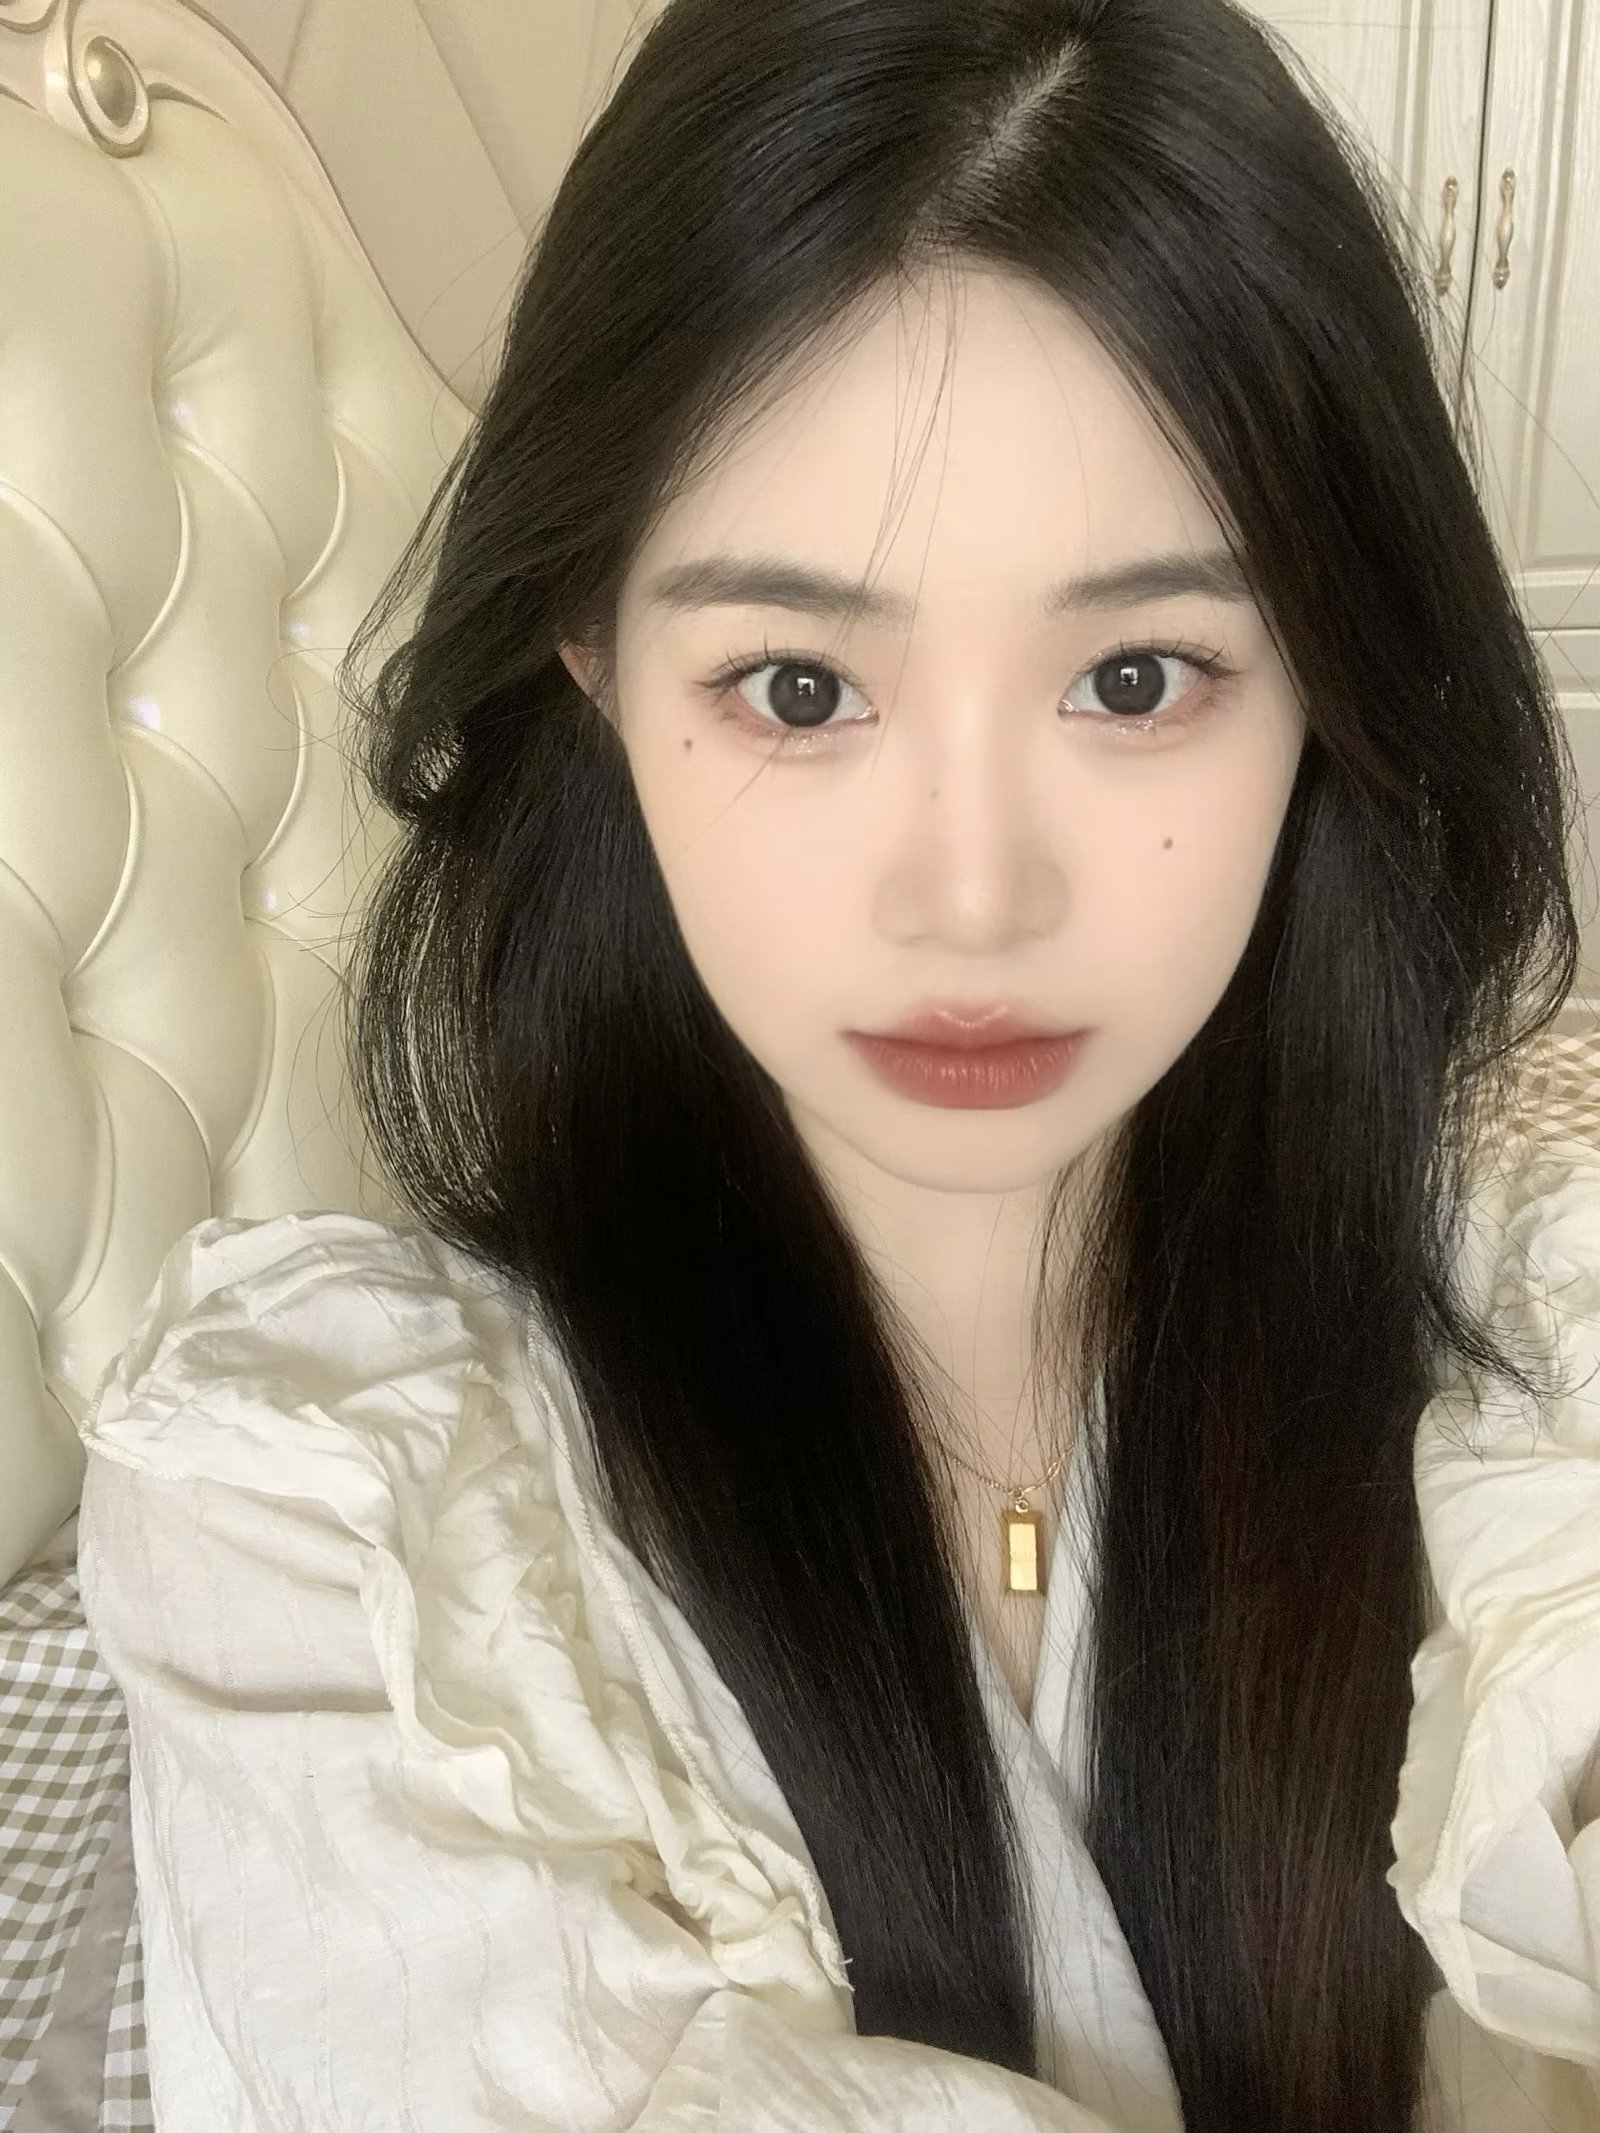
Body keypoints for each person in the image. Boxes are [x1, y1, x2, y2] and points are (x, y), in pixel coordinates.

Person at [75, 0, 1600, 2126]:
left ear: (1326, 681)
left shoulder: (1523, 1323)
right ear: (594, 661)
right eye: (798, 686)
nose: (970, 895)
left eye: (1136, 676)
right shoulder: (329, 1523)